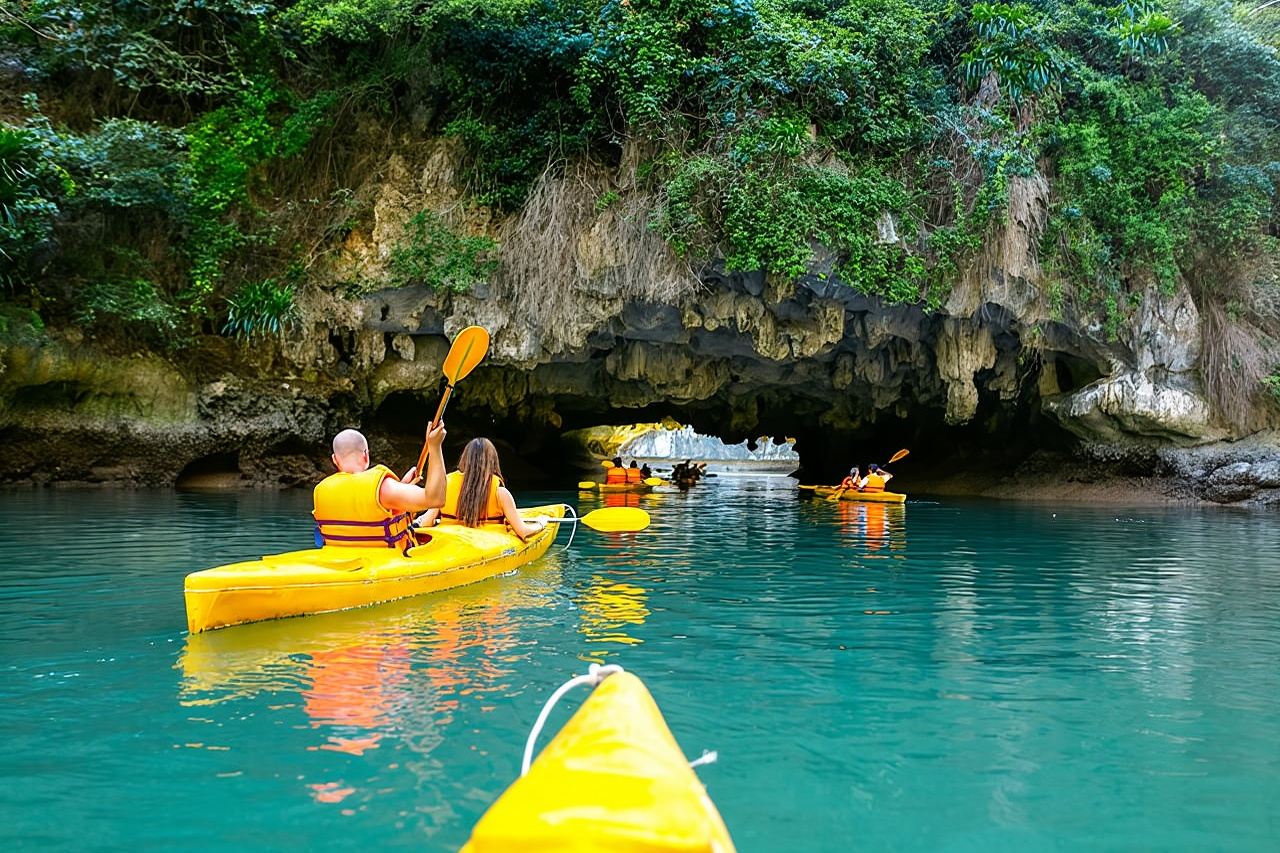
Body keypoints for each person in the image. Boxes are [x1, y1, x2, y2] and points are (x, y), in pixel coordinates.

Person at [312, 423, 447, 549]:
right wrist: (435, 447)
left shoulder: (320, 490)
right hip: (382, 561)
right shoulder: (383, 487)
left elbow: (362, 506)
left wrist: (402, 485)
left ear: (334, 459)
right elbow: (435, 499)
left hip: (337, 561)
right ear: (366, 455)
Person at [416, 437, 548, 540]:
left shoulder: (445, 486)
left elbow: (426, 523)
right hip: (487, 546)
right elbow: (523, 532)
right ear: (492, 461)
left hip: (447, 543)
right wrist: (541, 524)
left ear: (465, 459)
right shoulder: (500, 493)